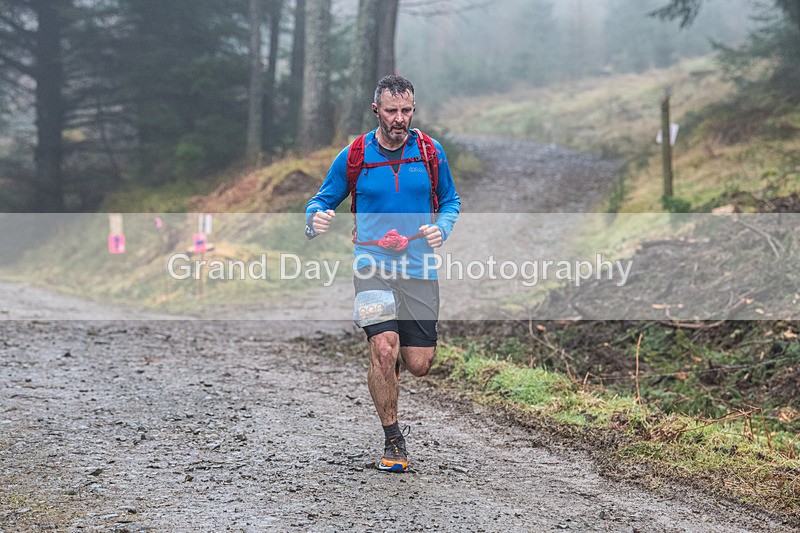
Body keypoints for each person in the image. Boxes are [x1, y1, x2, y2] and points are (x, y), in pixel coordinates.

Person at [305, 75, 460, 472]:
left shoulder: (430, 152)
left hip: (418, 267)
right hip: (371, 265)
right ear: (376, 110)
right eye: (392, 111)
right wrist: (315, 219)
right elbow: (321, 200)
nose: (399, 118)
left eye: (406, 110)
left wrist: (441, 228)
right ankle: (393, 440)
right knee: (384, 348)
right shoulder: (355, 155)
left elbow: (450, 200)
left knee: (419, 363)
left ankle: (387, 365)